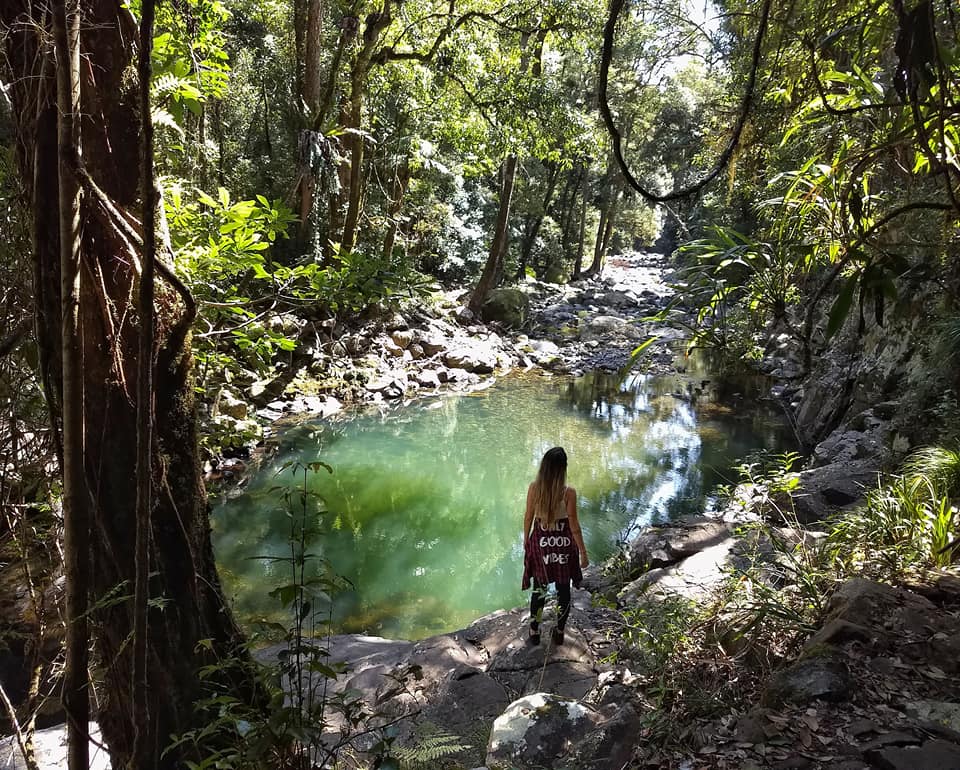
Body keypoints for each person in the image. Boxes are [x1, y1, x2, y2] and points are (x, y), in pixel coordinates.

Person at [521, 446, 588, 646]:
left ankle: (534, 631)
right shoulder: (569, 493)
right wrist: (583, 553)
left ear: (544, 466)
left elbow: (528, 516)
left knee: (539, 588)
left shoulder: (534, 488)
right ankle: (559, 631)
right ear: (563, 468)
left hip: (541, 542)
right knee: (563, 589)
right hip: (563, 544)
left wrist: (526, 540)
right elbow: (574, 525)